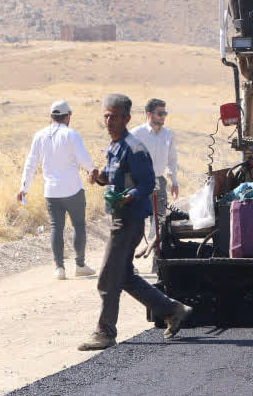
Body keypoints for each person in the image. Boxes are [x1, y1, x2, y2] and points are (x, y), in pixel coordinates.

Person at [78, 94, 192, 351]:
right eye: (106, 116)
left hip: (128, 221)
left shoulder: (134, 147)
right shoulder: (115, 147)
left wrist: (129, 196)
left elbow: (147, 183)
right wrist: (99, 177)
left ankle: (105, 332)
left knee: (108, 277)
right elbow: (115, 176)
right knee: (125, 275)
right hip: (120, 218)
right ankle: (172, 309)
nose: (108, 121)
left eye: (114, 117)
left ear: (126, 118)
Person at [18, 100, 95, 280]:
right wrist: (92, 172)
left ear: (51, 116)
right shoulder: (71, 134)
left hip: (51, 191)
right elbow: (84, 159)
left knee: (56, 228)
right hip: (73, 189)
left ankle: (59, 268)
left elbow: (30, 164)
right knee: (79, 226)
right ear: (67, 116)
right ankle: (80, 265)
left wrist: (23, 188)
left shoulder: (39, 136)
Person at [130, 98, 179, 261]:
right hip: (139, 183)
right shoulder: (136, 134)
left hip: (159, 181)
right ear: (149, 114)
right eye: (160, 113)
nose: (163, 117)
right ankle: (129, 263)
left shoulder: (168, 134)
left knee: (159, 223)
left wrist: (174, 181)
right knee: (135, 223)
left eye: (165, 113)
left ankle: (156, 263)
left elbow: (172, 159)